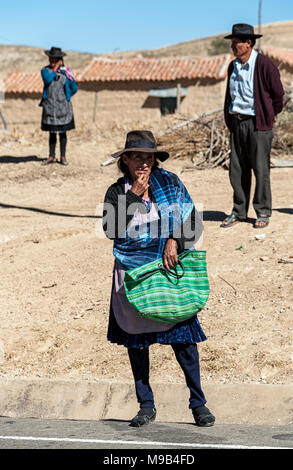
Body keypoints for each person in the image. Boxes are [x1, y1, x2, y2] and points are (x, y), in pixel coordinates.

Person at [103, 130, 215, 428]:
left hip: (169, 273)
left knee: (185, 341)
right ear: (125, 159)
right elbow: (112, 230)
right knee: (137, 344)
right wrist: (135, 196)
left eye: (148, 157)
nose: (143, 163)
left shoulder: (171, 183)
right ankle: (146, 405)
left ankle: (198, 404)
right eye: (137, 156)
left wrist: (174, 241)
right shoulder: (117, 192)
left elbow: (192, 220)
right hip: (133, 277)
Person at [221, 24, 284, 229]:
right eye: (232, 43)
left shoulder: (265, 65)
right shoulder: (233, 66)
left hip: (258, 124)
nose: (233, 46)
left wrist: (269, 115)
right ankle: (239, 211)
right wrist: (230, 120)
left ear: (248, 43)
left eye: (236, 43)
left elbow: (278, 95)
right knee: (237, 171)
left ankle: (263, 211)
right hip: (237, 123)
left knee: (260, 169)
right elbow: (230, 96)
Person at [40, 47, 78, 166]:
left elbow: (74, 88)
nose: (52, 60)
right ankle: (51, 156)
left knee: (62, 132)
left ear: (59, 59)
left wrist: (66, 98)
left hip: (63, 107)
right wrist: (56, 67)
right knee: (52, 132)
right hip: (50, 107)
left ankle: (63, 156)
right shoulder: (45, 71)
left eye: (55, 59)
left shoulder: (66, 72)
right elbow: (47, 79)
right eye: (51, 58)